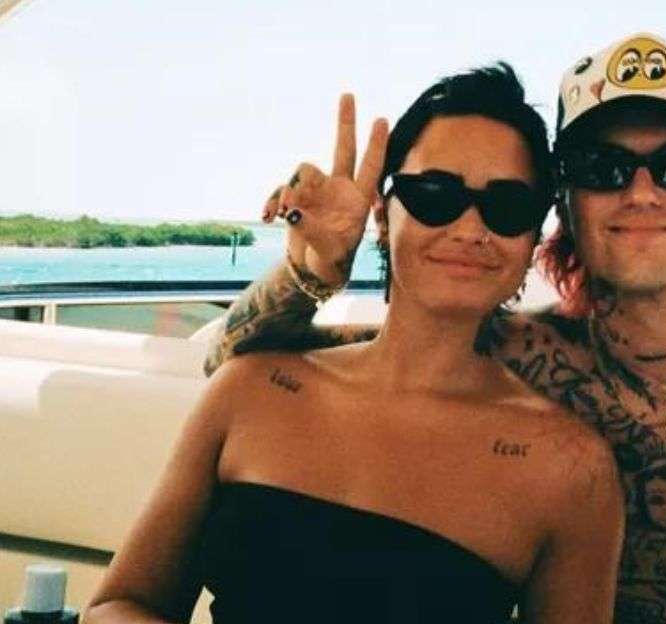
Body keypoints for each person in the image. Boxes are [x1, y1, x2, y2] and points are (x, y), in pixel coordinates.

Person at [203, 33, 666, 624]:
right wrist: (311, 271)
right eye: (603, 167)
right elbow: (237, 363)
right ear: (565, 205)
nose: (641, 192)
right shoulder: (525, 356)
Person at [84, 64, 624, 624]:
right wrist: (313, 268)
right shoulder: (251, 388)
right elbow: (117, 606)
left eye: (508, 205)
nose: (469, 229)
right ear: (382, 214)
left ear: (533, 238)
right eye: (434, 194)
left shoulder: (567, 468)